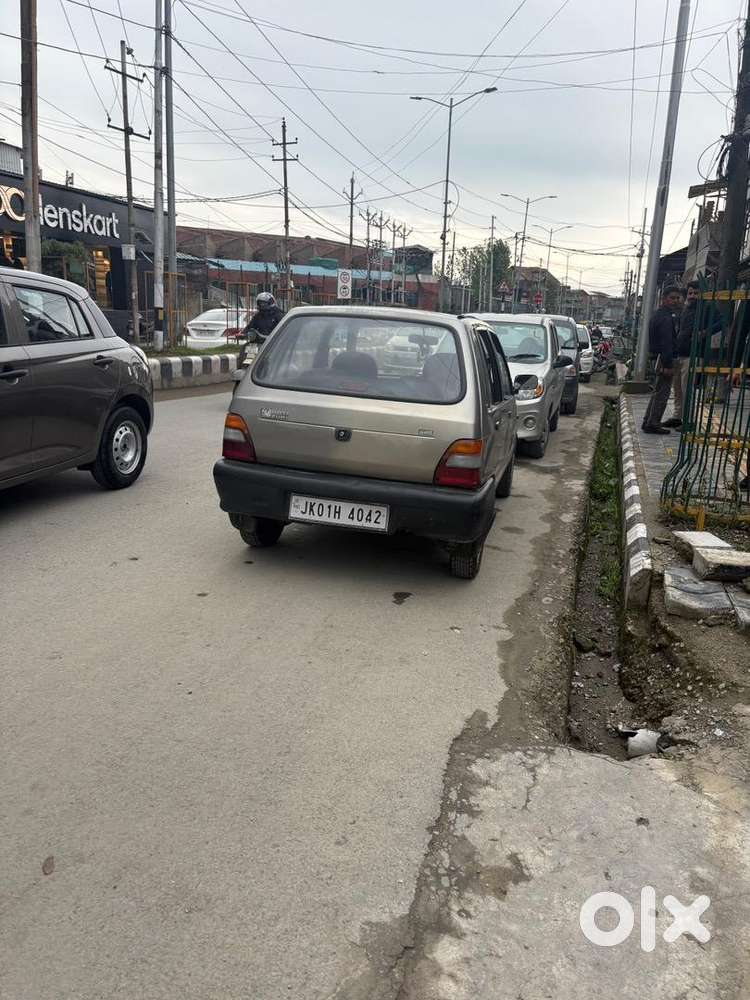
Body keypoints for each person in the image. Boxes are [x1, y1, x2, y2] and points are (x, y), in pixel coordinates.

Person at [641, 285, 684, 435]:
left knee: (657, 392)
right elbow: (666, 342)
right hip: (664, 359)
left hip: (659, 357)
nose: (675, 301)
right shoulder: (665, 317)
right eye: (672, 298)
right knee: (662, 393)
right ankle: (653, 423)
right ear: (664, 298)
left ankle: (648, 421)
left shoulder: (659, 314)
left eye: (677, 298)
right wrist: (668, 364)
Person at [664, 280, 699, 428]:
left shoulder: (706, 308)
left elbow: (721, 321)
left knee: (687, 389)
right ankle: (677, 416)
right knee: (677, 388)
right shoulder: (686, 309)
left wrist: (703, 333)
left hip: (693, 354)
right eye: (690, 293)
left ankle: (689, 420)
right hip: (680, 353)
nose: (692, 296)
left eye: (696, 293)